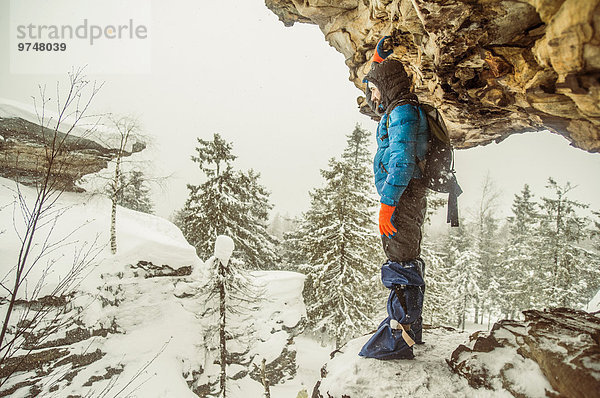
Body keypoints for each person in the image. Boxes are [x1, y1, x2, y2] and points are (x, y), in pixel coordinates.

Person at [359, 37, 429, 360]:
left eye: (375, 89)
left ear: (386, 88)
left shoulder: (403, 112)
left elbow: (401, 160)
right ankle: (407, 329)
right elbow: (380, 88)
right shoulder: (397, 107)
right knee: (402, 257)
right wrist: (377, 60)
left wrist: (387, 205)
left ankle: (400, 339)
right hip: (403, 196)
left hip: (403, 198)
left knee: (400, 261)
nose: (372, 96)